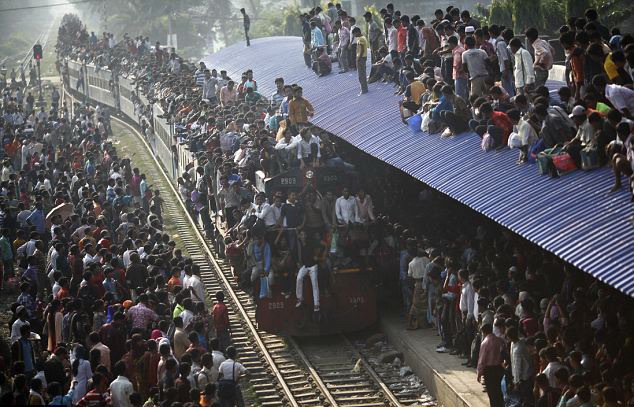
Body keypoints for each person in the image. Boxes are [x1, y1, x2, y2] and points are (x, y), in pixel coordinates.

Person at [295, 230, 321, 311]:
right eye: (301, 235)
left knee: (314, 284)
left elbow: (319, 246)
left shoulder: (310, 242)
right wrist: (298, 263)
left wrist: (317, 256)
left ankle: (316, 304)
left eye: (304, 234)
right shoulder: (298, 244)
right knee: (299, 278)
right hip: (305, 266)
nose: (303, 236)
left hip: (313, 266)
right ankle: (299, 298)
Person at [352, 27, 369, 95]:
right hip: (362, 57)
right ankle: (364, 88)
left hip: (361, 58)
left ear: (357, 32)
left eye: (354, 34)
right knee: (362, 74)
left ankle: (364, 89)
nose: (354, 35)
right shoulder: (361, 38)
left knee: (361, 74)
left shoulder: (361, 39)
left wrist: (358, 58)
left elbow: (361, 49)